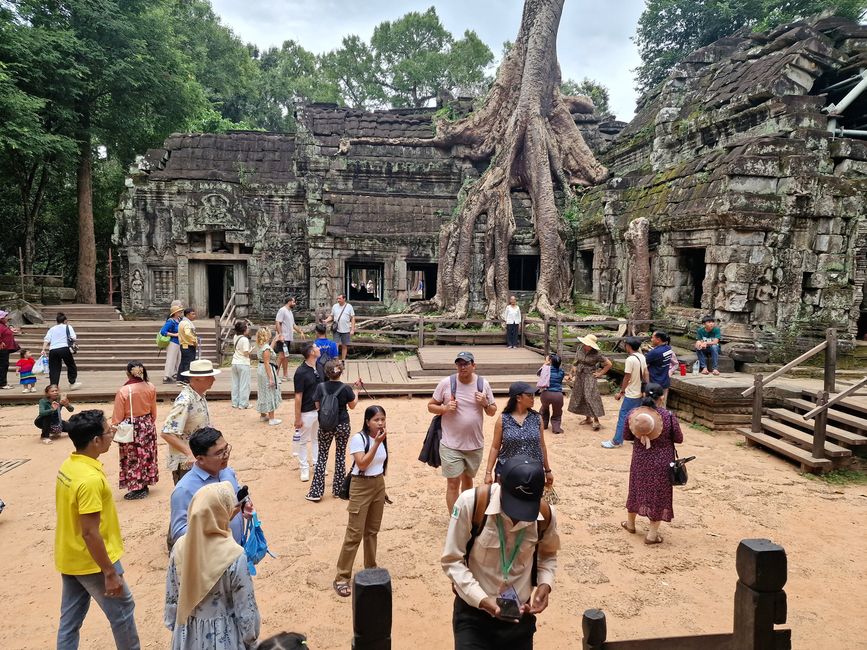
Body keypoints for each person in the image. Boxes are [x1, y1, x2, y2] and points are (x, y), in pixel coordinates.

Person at [442, 456, 560, 649]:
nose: (518, 516)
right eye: (514, 505)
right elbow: (452, 560)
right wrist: (483, 600)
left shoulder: (546, 515)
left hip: (520, 616)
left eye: (526, 507)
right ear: (499, 482)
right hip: (474, 615)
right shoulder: (470, 503)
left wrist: (545, 585)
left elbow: (548, 556)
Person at [55, 409, 140, 649]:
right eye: (108, 431)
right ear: (95, 441)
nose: (112, 434)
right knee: (123, 612)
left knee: (69, 621)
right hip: (94, 561)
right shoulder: (90, 480)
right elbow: (90, 532)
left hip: (70, 557)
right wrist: (110, 572)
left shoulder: (70, 465)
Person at [164, 481, 260, 649]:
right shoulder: (235, 555)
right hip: (225, 636)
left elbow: (172, 595)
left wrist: (174, 624)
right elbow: (246, 609)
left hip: (187, 633)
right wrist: (251, 639)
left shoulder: (179, 546)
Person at [427, 351, 497, 513]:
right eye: (459, 364)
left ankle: (466, 515)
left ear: (474, 365)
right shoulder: (446, 383)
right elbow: (431, 406)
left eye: (466, 364)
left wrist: (485, 403)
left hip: (474, 445)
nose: (462, 367)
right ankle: (455, 518)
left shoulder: (483, 384)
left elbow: (492, 411)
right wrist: (444, 408)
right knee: (452, 483)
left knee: (468, 480)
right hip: (451, 444)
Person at [333, 405, 388, 598]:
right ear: (367, 422)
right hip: (361, 486)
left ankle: (371, 568)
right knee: (354, 534)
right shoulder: (359, 439)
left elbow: (381, 463)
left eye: (382, 419)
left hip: (378, 485)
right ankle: (342, 577)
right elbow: (363, 463)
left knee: (372, 531)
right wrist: (376, 444)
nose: (380, 423)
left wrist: (381, 487)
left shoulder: (382, 437)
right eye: (376, 420)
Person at [622, 383, 684, 545]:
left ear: (644, 395)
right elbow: (679, 438)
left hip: (640, 460)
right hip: (661, 462)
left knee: (636, 489)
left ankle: (630, 524)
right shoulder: (668, 416)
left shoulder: (633, 414)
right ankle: (652, 535)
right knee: (659, 495)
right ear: (661, 397)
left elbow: (627, 436)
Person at [169, 427, 251, 547]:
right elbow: (179, 534)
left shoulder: (227, 472)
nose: (226, 455)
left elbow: (237, 495)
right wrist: (220, 521)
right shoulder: (184, 490)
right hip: (212, 561)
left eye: (226, 448)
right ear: (200, 459)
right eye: (219, 453)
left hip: (237, 550)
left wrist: (245, 504)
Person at [306, 359, 358, 502]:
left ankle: (316, 491)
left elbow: (317, 405)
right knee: (340, 455)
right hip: (342, 424)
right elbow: (352, 405)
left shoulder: (320, 387)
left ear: (326, 372)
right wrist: (357, 392)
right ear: (341, 372)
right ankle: (338, 489)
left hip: (325, 425)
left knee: (322, 456)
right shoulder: (346, 388)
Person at [484, 382, 554, 488]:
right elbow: (495, 447)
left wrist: (547, 470)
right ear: (518, 398)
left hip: (533, 472)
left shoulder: (537, 418)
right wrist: (488, 473)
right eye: (529, 395)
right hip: (507, 471)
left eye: (533, 395)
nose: (533, 398)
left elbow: (542, 446)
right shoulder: (503, 419)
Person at [161, 359, 218, 485]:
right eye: (210, 376)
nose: (214, 379)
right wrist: (189, 454)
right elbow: (166, 432)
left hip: (200, 458)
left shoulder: (199, 395)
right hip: (188, 463)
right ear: (198, 379)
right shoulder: (185, 400)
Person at [110, 361, 159, 500]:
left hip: (131, 426)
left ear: (127, 373)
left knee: (132, 456)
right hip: (147, 423)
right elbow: (153, 411)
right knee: (147, 454)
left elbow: (117, 416)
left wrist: (114, 429)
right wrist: (148, 423)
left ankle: (137, 486)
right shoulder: (150, 387)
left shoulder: (124, 391)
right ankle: (146, 482)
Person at [602, 337, 648, 449]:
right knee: (637, 416)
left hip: (631, 393)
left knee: (623, 416)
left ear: (628, 346)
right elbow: (646, 372)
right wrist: (647, 387)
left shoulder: (630, 360)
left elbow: (627, 377)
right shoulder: (642, 357)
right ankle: (637, 438)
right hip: (640, 392)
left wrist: (621, 392)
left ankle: (617, 440)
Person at [566, 334, 612, 432]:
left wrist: (600, 373)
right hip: (579, 375)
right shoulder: (580, 348)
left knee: (590, 396)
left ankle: (596, 420)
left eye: (587, 343)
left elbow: (608, 364)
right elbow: (576, 362)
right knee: (582, 395)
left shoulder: (597, 353)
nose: (585, 344)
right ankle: (588, 418)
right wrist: (571, 373)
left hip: (589, 375)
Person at [293, 342, 322, 482]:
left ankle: (317, 464)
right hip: (306, 411)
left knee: (317, 438)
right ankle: (304, 467)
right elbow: (298, 396)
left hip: (319, 411)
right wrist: (297, 417)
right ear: (311, 352)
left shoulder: (319, 367)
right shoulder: (300, 372)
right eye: (316, 347)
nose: (319, 348)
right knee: (303, 441)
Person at [42, 312, 82, 390]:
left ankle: (54, 386)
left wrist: (43, 349)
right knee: (71, 365)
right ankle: (72, 382)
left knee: (54, 368)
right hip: (65, 349)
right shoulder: (68, 327)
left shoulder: (52, 329)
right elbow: (73, 337)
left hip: (53, 350)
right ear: (65, 321)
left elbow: (47, 339)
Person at [255, 327, 282, 425]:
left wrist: (275, 339)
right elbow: (267, 363)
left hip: (261, 369)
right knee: (270, 391)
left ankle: (263, 415)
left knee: (263, 391)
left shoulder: (261, 345)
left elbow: (270, 347)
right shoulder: (266, 348)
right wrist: (271, 378)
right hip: (267, 369)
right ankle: (272, 418)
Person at [275, 295, 305, 382]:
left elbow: (293, 325)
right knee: (281, 356)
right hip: (282, 337)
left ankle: (285, 375)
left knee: (286, 356)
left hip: (288, 337)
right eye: (293, 302)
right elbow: (277, 323)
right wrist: (280, 334)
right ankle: (275, 374)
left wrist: (300, 331)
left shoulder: (290, 312)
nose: (294, 303)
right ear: (289, 302)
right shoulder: (282, 310)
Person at [537, 354, 565, 433]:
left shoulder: (545, 370)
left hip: (546, 394)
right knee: (557, 412)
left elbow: (538, 373)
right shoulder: (561, 372)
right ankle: (556, 428)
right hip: (558, 395)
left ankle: (543, 425)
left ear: (551, 361)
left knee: (544, 409)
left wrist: (546, 363)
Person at [645, 331, 674, 405]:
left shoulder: (654, 353)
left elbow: (645, 364)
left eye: (652, 338)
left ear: (658, 339)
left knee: (653, 407)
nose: (651, 339)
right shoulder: (668, 348)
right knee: (662, 405)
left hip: (655, 383)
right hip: (665, 381)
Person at [325, 294, 356, 361]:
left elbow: (352, 318)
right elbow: (331, 316)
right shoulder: (335, 306)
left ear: (344, 299)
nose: (338, 300)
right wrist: (326, 320)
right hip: (336, 329)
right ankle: (336, 360)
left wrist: (352, 329)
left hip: (346, 329)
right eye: (337, 298)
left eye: (340, 298)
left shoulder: (349, 306)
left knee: (344, 346)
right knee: (335, 345)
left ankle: (343, 360)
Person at [160, 302, 184, 384]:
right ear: (175, 313)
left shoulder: (179, 320)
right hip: (172, 342)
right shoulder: (171, 321)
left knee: (179, 359)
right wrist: (174, 334)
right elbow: (163, 331)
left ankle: (175, 374)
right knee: (171, 359)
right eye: (179, 311)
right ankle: (166, 376)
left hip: (179, 342)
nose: (181, 313)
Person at [231, 320, 252, 409]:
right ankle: (243, 403)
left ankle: (235, 402)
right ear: (244, 329)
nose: (248, 329)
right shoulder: (244, 339)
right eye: (247, 327)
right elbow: (246, 353)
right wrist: (251, 350)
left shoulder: (235, 337)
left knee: (235, 383)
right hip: (243, 363)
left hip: (234, 362)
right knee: (244, 384)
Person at [0, 309, 21, 390]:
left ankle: (2, 382)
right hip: (2, 349)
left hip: (5, 349)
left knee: (4, 365)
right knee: (3, 366)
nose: (7, 318)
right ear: (1, 318)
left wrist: (11, 330)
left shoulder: (3, 325)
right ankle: (2, 383)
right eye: (5, 316)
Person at [177, 308, 199, 385]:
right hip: (188, 345)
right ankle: (186, 380)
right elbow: (188, 333)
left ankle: (180, 379)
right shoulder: (186, 323)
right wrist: (194, 340)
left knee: (183, 362)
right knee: (188, 363)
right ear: (188, 314)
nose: (194, 316)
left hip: (183, 345)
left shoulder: (182, 322)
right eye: (193, 314)